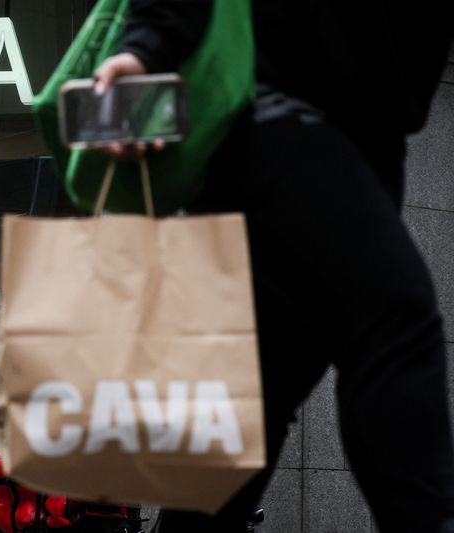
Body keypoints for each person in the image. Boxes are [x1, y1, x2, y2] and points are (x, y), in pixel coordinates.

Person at [93, 1, 454, 532]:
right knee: (396, 321)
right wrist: (146, 44)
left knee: (257, 401)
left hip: (371, 139)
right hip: (270, 102)